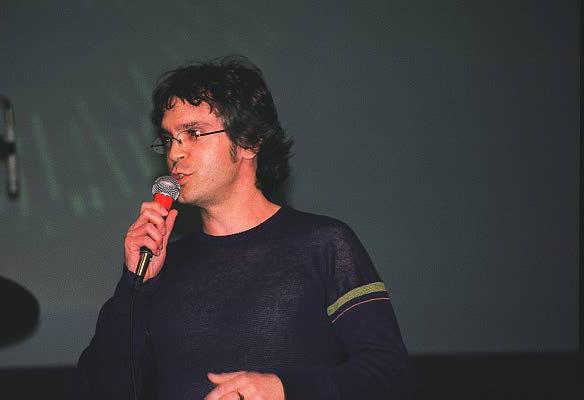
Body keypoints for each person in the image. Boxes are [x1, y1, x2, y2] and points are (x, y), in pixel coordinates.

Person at [77, 56, 409, 400]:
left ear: (249, 141)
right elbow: (97, 389)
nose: (175, 153)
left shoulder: (324, 245)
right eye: (169, 139)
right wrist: (134, 286)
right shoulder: (161, 268)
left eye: (193, 134)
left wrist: (284, 390)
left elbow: (389, 376)